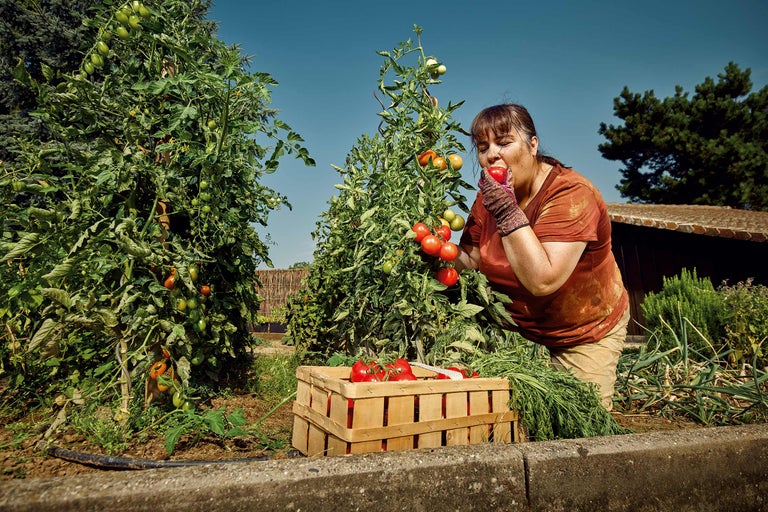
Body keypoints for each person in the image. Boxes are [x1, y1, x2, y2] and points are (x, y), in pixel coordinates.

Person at [454, 103, 630, 410]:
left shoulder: (571, 194)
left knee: (579, 421)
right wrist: (430, 246)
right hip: (519, 331)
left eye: (504, 142)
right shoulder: (490, 197)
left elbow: (542, 280)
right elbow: (471, 258)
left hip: (582, 329)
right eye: (483, 148)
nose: (491, 155)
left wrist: (507, 211)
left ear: (532, 145)